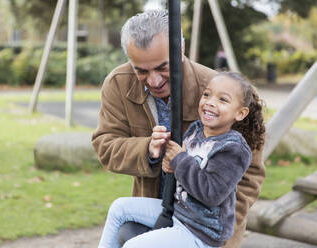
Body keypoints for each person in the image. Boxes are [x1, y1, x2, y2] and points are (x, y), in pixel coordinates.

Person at [92, 9, 265, 247]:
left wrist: (220, 234)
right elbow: (106, 145)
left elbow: (250, 174)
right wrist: (149, 151)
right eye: (141, 71)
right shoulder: (118, 84)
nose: (154, 81)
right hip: (160, 203)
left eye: (162, 67)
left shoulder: (221, 95)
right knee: (122, 215)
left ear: (181, 49)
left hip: (206, 226)